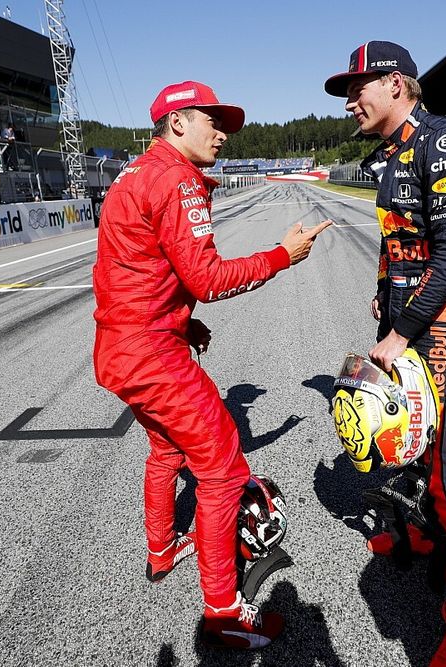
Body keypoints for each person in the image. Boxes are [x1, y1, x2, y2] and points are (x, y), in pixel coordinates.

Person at [92, 80, 332, 650]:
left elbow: (134, 265)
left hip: (120, 343)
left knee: (167, 451)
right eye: (212, 121)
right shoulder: (178, 180)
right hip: (151, 352)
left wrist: (181, 318)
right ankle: (224, 613)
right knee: (223, 470)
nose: (222, 133)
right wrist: (282, 256)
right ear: (177, 123)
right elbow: (206, 277)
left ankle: (161, 548)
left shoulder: (134, 172)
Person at [325, 41, 446, 666]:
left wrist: (401, 333)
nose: (349, 101)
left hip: (438, 324)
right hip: (401, 319)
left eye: (357, 87)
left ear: (396, 84)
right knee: (389, 424)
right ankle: (424, 535)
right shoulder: (388, 154)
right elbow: (396, 239)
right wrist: (381, 298)